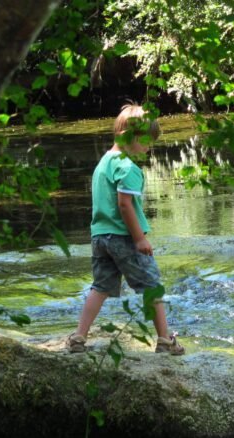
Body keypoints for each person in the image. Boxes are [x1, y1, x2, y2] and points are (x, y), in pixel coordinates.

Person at [66, 104, 184, 355]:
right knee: (152, 285)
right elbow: (124, 204)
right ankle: (165, 339)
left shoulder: (103, 165)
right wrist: (139, 239)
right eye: (146, 142)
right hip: (124, 238)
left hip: (100, 237)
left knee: (100, 287)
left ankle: (79, 336)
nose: (149, 148)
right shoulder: (129, 169)